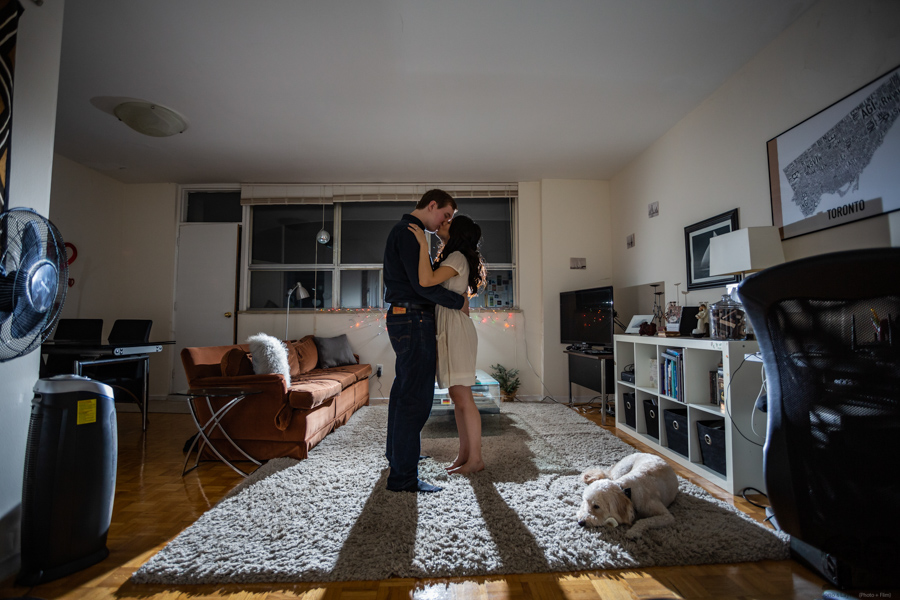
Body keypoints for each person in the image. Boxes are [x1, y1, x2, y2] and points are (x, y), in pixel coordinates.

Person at [382, 189, 468, 493]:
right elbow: (422, 285)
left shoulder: (409, 232)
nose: (445, 222)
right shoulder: (410, 232)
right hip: (413, 318)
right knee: (415, 399)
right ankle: (403, 477)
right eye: (445, 215)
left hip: (406, 317)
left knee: (403, 392)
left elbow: (419, 281)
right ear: (432, 205)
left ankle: (399, 457)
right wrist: (458, 302)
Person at [408, 214, 487, 474]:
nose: (443, 222)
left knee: (463, 397)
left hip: (456, 330)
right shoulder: (453, 257)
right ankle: (464, 455)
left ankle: (476, 459)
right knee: (457, 397)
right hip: (450, 328)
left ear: (458, 233)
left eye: (449, 222)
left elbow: (426, 280)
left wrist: (422, 244)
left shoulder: (457, 257)